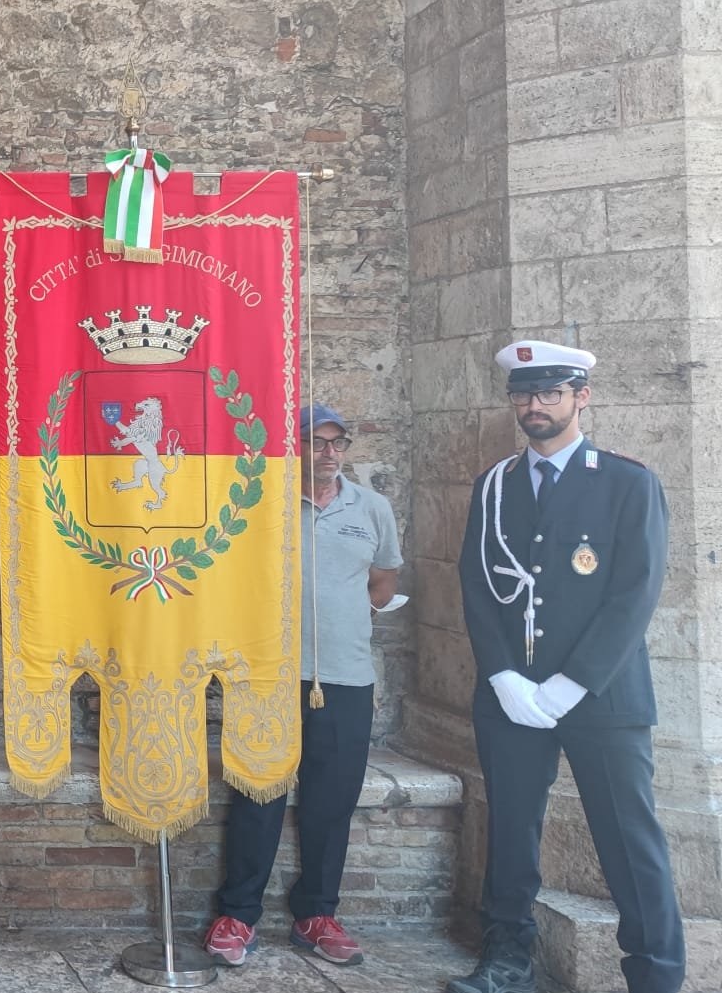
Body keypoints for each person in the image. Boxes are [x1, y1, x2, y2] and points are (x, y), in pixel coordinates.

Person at [449, 341, 683, 993]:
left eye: (551, 392)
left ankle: (656, 976)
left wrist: (571, 683)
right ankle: (506, 960)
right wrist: (501, 676)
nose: (536, 405)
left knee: (629, 839)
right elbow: (476, 584)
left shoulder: (628, 482)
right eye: (524, 393)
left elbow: (635, 593)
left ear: (582, 397)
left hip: (602, 696)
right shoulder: (494, 485)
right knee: (511, 829)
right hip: (513, 693)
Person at [200, 405, 401, 969]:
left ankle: (317, 915)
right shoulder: (260, 504)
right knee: (257, 795)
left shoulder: (372, 508)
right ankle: (238, 915)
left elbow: (384, 580)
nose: (329, 452)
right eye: (317, 441)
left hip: (346, 677)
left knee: (331, 803)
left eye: (338, 442)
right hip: (268, 675)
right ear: (294, 448)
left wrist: (347, 617)